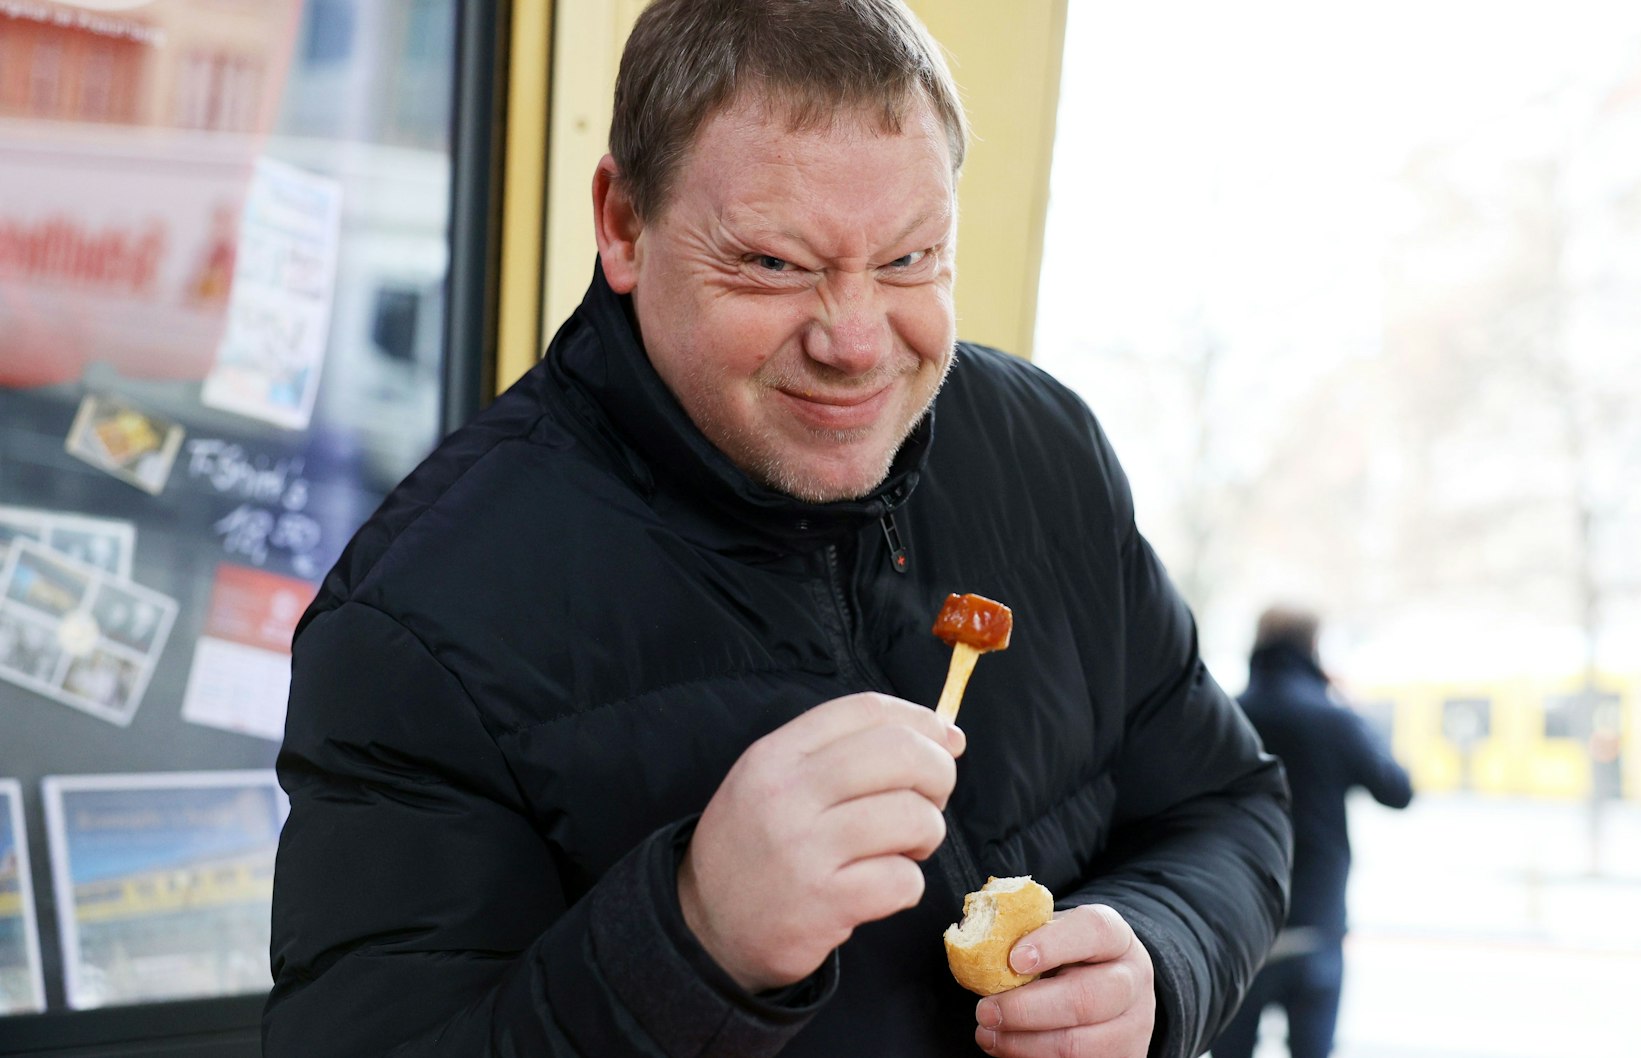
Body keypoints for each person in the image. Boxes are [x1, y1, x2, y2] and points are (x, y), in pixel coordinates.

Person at [264, 1, 1292, 1055]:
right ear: (622, 224)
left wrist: (1160, 959)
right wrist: (690, 936)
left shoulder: (1044, 447)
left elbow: (1228, 803)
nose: (854, 341)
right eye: (772, 263)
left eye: (908, 259)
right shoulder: (419, 616)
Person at [1208, 607, 1411, 1058]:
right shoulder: (1332, 720)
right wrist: (1347, 707)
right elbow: (1398, 790)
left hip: (1240, 925)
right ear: (1314, 648)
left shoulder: (1225, 715)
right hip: (1315, 922)